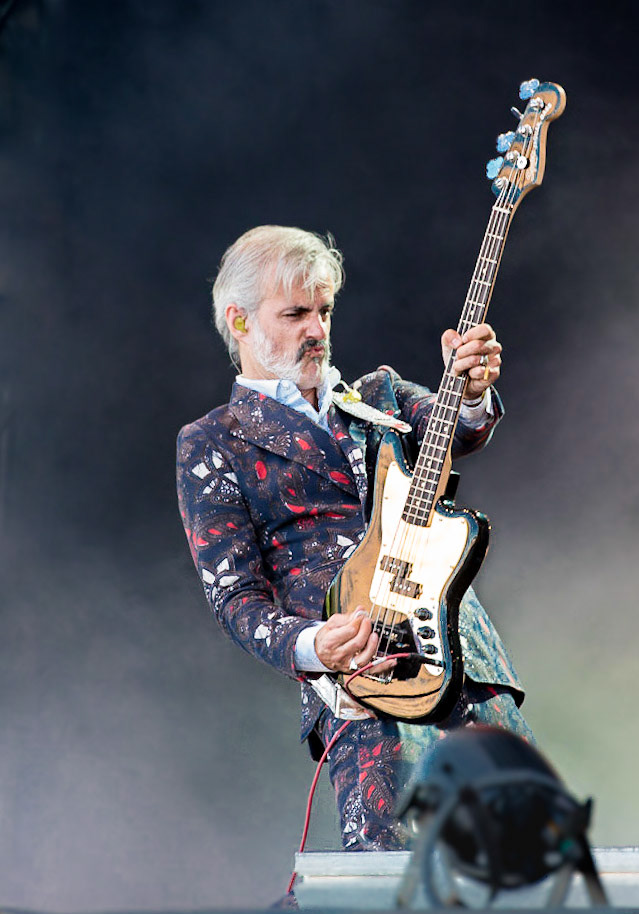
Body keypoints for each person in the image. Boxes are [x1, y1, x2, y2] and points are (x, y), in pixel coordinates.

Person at [176, 225, 532, 851]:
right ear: (240, 322)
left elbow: (458, 429)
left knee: (524, 853)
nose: (316, 328)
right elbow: (234, 597)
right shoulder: (213, 441)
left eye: (325, 311)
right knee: (385, 871)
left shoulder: (377, 395)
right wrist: (313, 644)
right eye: (295, 314)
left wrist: (471, 391)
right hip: (363, 677)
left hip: (464, 658)